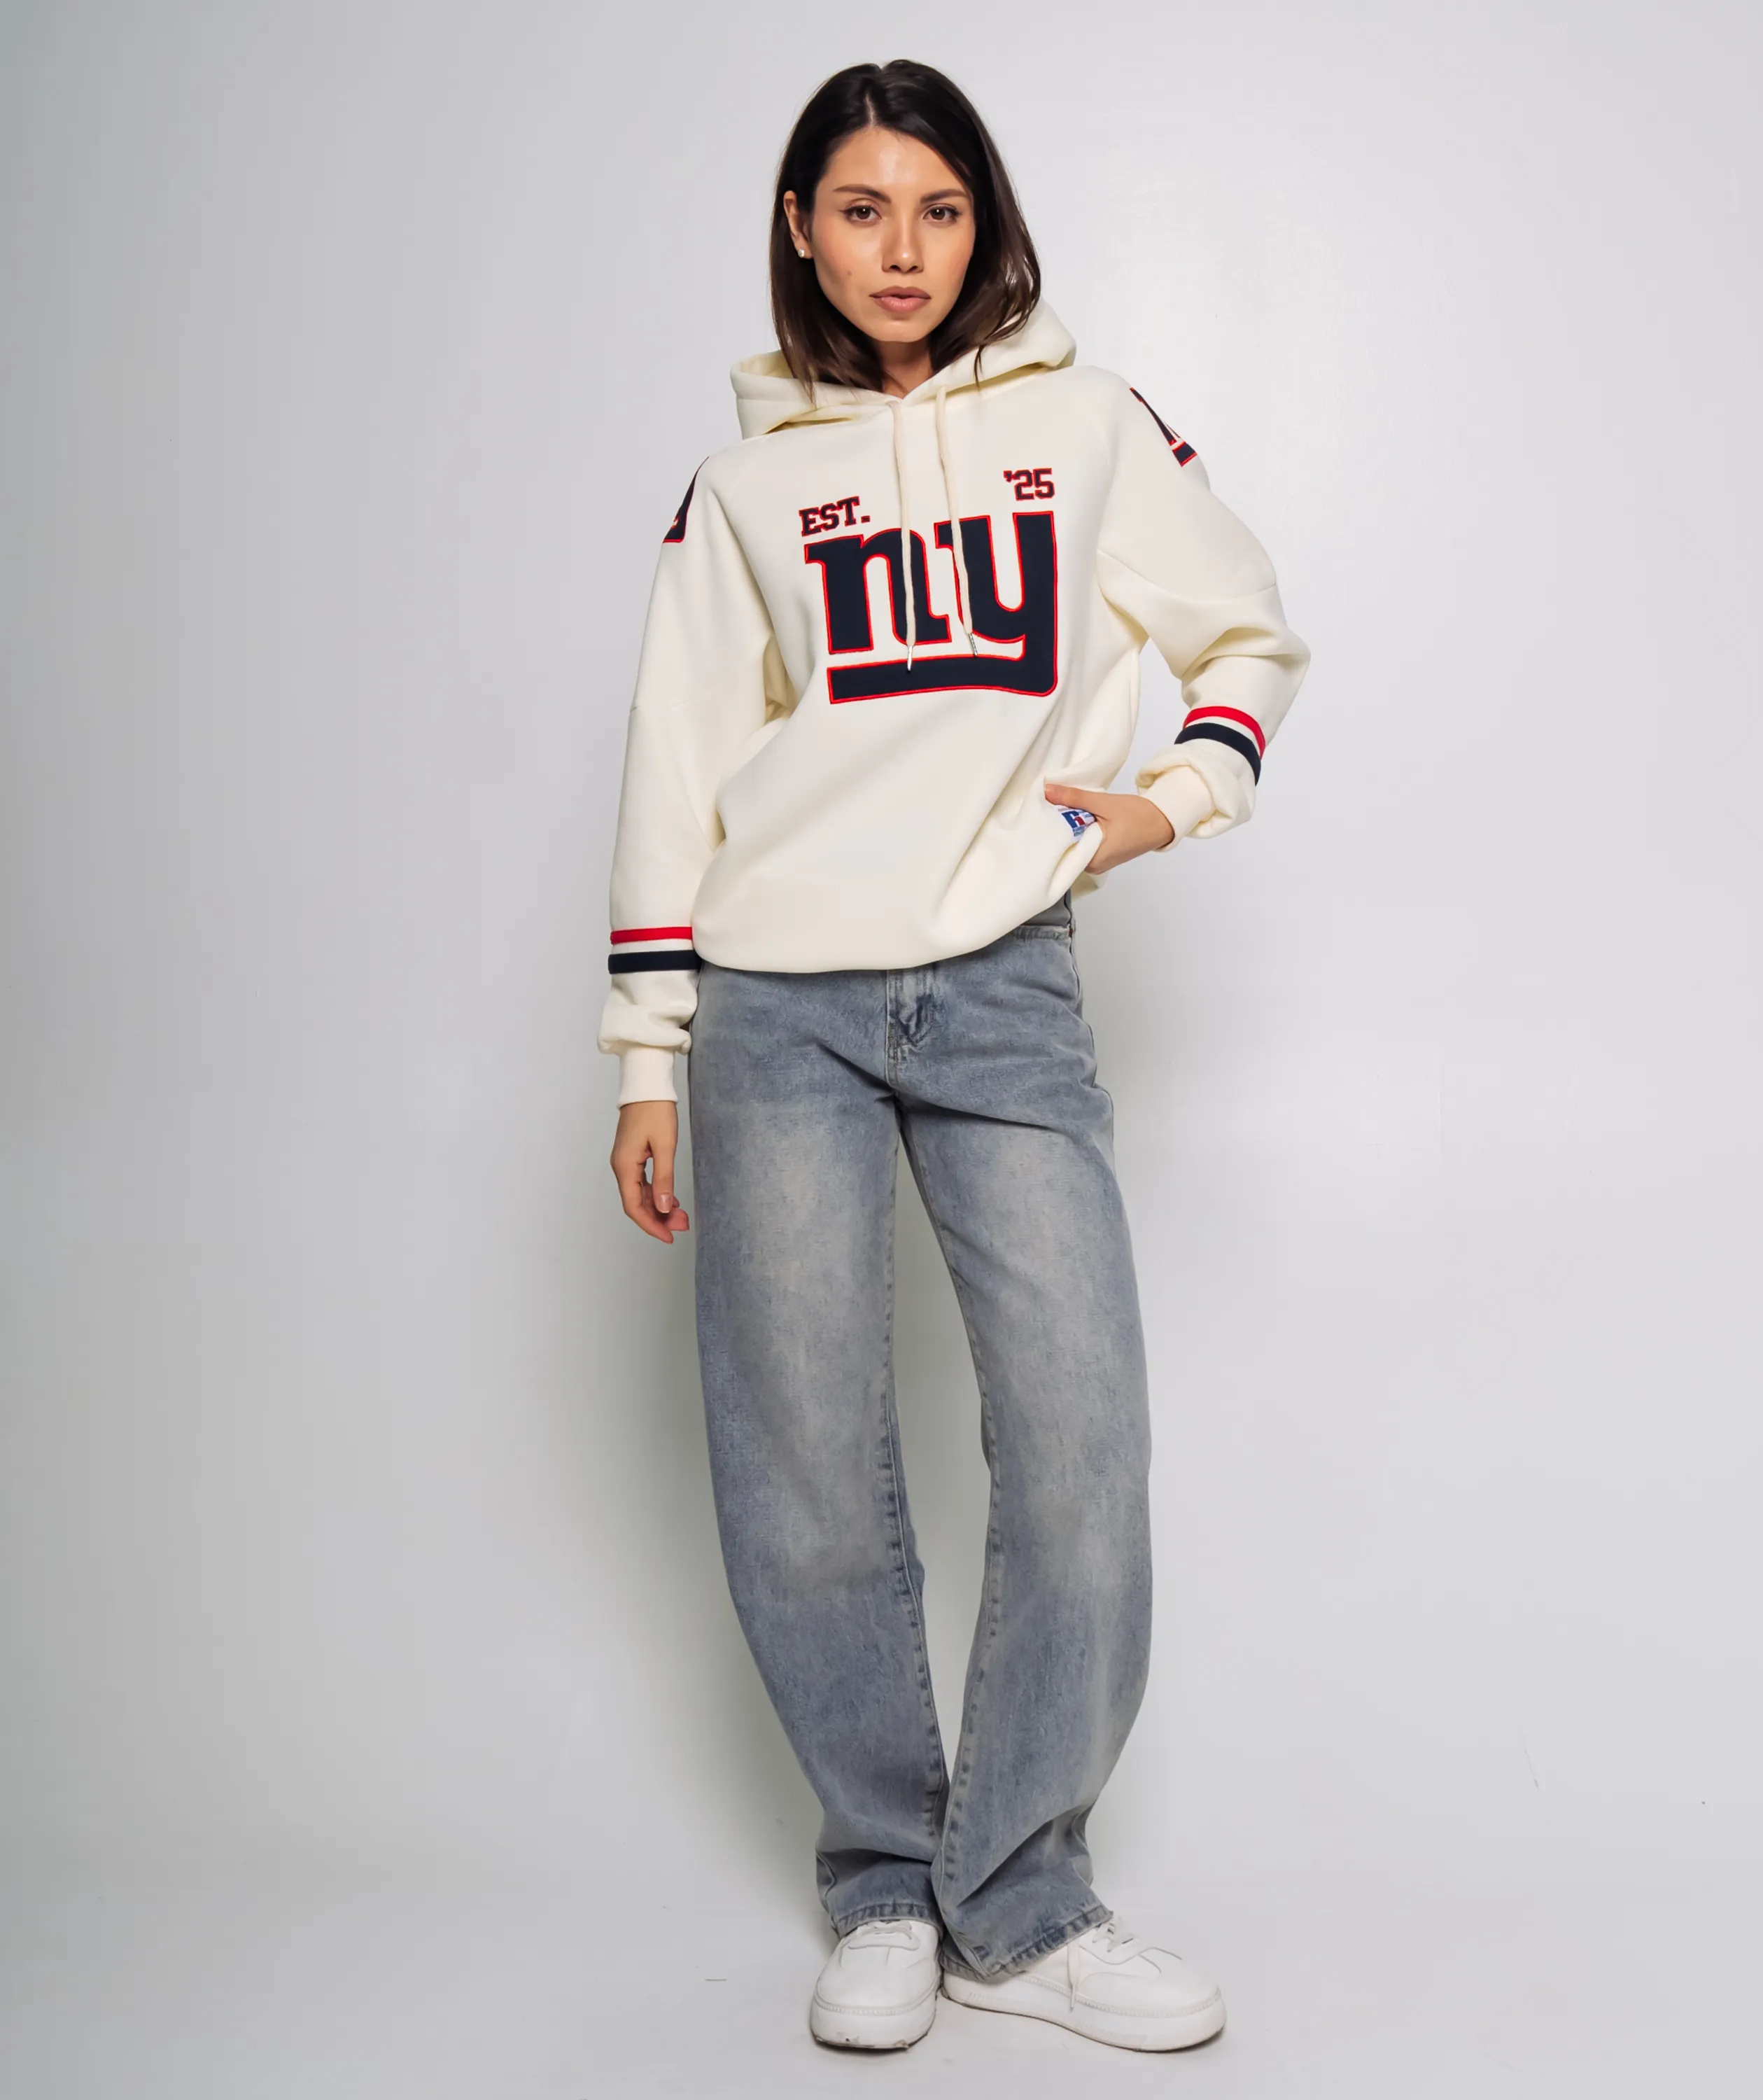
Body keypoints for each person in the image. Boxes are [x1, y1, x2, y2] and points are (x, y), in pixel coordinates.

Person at [598, 58, 1308, 2054]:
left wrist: (1164, 799)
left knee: (1080, 1448)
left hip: (1002, 983)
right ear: (801, 231)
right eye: (860, 209)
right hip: (773, 1010)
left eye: (937, 208)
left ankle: (1022, 1899)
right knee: (807, 1471)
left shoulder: (1088, 428)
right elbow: (673, 764)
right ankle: (884, 1883)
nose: (901, 250)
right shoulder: (742, 489)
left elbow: (1248, 635)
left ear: (984, 223)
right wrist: (646, 1048)